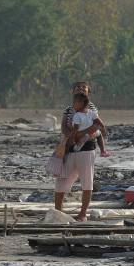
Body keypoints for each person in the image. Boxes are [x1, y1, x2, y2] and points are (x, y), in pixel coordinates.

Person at [55, 92, 105, 221]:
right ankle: (58, 211)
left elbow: (98, 128)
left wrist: (93, 131)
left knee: (87, 183)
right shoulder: (70, 111)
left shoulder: (92, 110)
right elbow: (66, 129)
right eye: (77, 88)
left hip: (87, 150)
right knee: (62, 180)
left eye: (83, 87)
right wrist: (83, 133)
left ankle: (83, 214)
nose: (75, 103)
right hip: (70, 149)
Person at [62, 81, 109, 157]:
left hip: (87, 139)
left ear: (88, 93)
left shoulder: (91, 107)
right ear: (72, 92)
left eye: (84, 87)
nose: (81, 88)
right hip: (71, 136)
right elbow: (63, 126)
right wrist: (70, 136)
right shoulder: (68, 109)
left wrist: (80, 134)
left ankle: (102, 150)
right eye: (78, 87)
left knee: (97, 131)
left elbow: (96, 123)